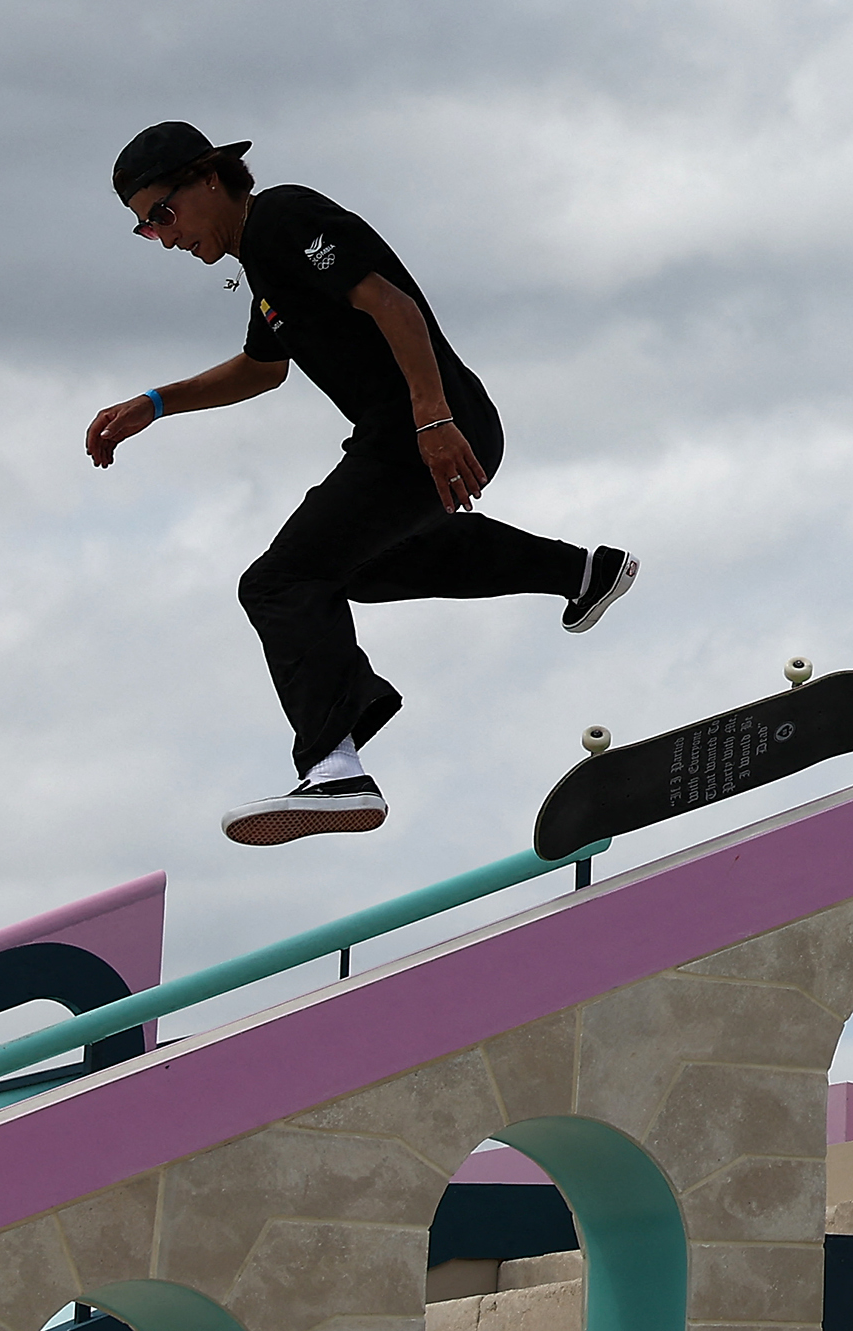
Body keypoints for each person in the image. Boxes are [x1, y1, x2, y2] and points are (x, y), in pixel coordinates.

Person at [87, 122, 638, 846]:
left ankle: (334, 765)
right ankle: (581, 571)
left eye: (163, 213)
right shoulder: (264, 265)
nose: (163, 236)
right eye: (144, 229)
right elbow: (263, 367)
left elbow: (390, 304)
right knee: (365, 568)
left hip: (419, 427)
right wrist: (156, 403)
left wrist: (433, 419)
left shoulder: (283, 218)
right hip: (416, 430)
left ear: (210, 179)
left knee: (278, 583)